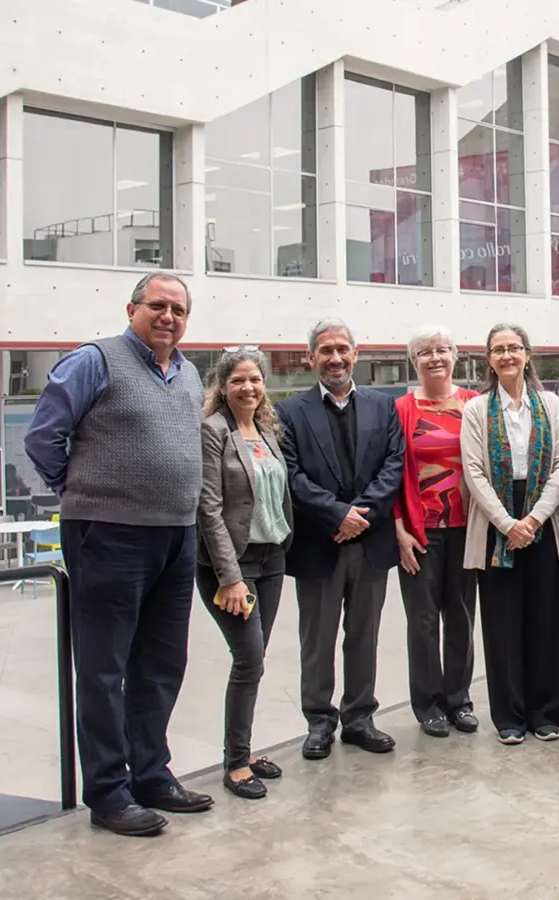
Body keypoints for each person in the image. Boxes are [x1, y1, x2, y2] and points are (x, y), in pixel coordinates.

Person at [23, 272, 210, 837]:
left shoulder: (188, 372)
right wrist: (84, 492)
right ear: (132, 308)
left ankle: (152, 774)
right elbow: (42, 437)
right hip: (108, 534)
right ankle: (108, 791)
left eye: (179, 310)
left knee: (161, 665)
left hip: (176, 534)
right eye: (158, 306)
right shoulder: (94, 360)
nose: (169, 317)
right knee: (105, 670)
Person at [277, 319, 405, 760]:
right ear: (310, 357)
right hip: (319, 542)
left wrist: (361, 515)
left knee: (363, 635)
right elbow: (290, 474)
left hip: (369, 542)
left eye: (342, 349)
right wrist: (337, 514)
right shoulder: (288, 412)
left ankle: (359, 718)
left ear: (357, 353)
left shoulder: (383, 407)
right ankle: (318, 720)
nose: (335, 358)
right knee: (317, 639)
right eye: (325, 350)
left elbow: (394, 465)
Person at [461, 324, 559, 744]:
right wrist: (508, 524)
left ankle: (545, 712)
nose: (507, 356)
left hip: (543, 517)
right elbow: (473, 471)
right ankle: (508, 716)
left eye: (514, 348)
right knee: (502, 621)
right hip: (494, 523)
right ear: (488, 359)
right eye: (498, 350)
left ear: (528, 354)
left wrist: (535, 520)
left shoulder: (551, 405)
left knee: (545, 618)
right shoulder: (476, 410)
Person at [196, 348, 293, 800]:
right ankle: (235, 763)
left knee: (254, 662)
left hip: (272, 559)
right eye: (238, 380)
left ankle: (245, 750)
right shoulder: (213, 432)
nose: (248, 388)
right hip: (232, 566)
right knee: (248, 659)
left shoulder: (268, 431)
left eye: (255, 379)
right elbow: (209, 509)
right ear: (222, 386)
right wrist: (230, 578)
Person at [392, 325, 481, 738]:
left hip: (467, 527)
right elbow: (391, 473)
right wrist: (398, 529)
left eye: (443, 350)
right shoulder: (401, 409)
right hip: (419, 530)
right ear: (415, 361)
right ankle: (427, 704)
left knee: (461, 617)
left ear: (455, 357)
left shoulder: (473, 404)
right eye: (425, 351)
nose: (435, 358)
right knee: (423, 621)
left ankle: (459, 700)